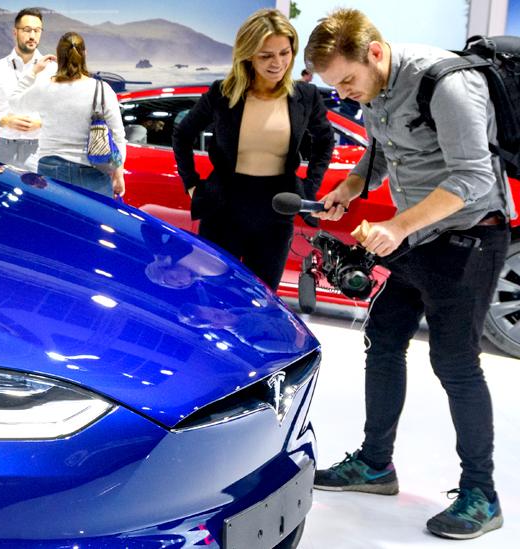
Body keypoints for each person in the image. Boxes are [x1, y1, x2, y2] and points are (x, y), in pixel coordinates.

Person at [304, 8, 513, 540]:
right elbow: (380, 151)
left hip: (468, 237)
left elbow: (472, 176)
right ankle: (376, 465)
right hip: (416, 237)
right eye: (336, 87)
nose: (347, 95)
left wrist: (397, 226)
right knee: (385, 338)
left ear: (375, 52)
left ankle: (482, 495)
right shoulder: (374, 92)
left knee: (456, 364)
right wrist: (350, 189)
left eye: (348, 81)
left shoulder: (447, 82)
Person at [171, 8, 334, 290]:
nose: (278, 62)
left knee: (264, 297)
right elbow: (182, 134)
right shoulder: (223, 93)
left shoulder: (305, 96)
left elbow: (325, 140)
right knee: (215, 292)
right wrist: (191, 185)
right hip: (223, 207)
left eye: (284, 53)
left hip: (275, 212)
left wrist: (309, 190)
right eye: (266, 55)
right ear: (248, 54)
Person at [9, 32, 126, 197]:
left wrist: (33, 72)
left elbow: (14, 103)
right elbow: (118, 135)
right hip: (93, 171)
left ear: (58, 57)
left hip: (50, 169)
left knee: (55, 222)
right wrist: (118, 174)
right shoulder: (102, 89)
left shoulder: (44, 87)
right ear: (84, 54)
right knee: (93, 222)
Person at [0, 7, 54, 167]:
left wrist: (40, 123)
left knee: (38, 193)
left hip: (39, 149)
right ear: (15, 32)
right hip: (2, 148)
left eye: (37, 30)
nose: (32, 36)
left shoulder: (52, 69)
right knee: (0, 192)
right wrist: (4, 121)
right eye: (27, 30)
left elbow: (62, 114)